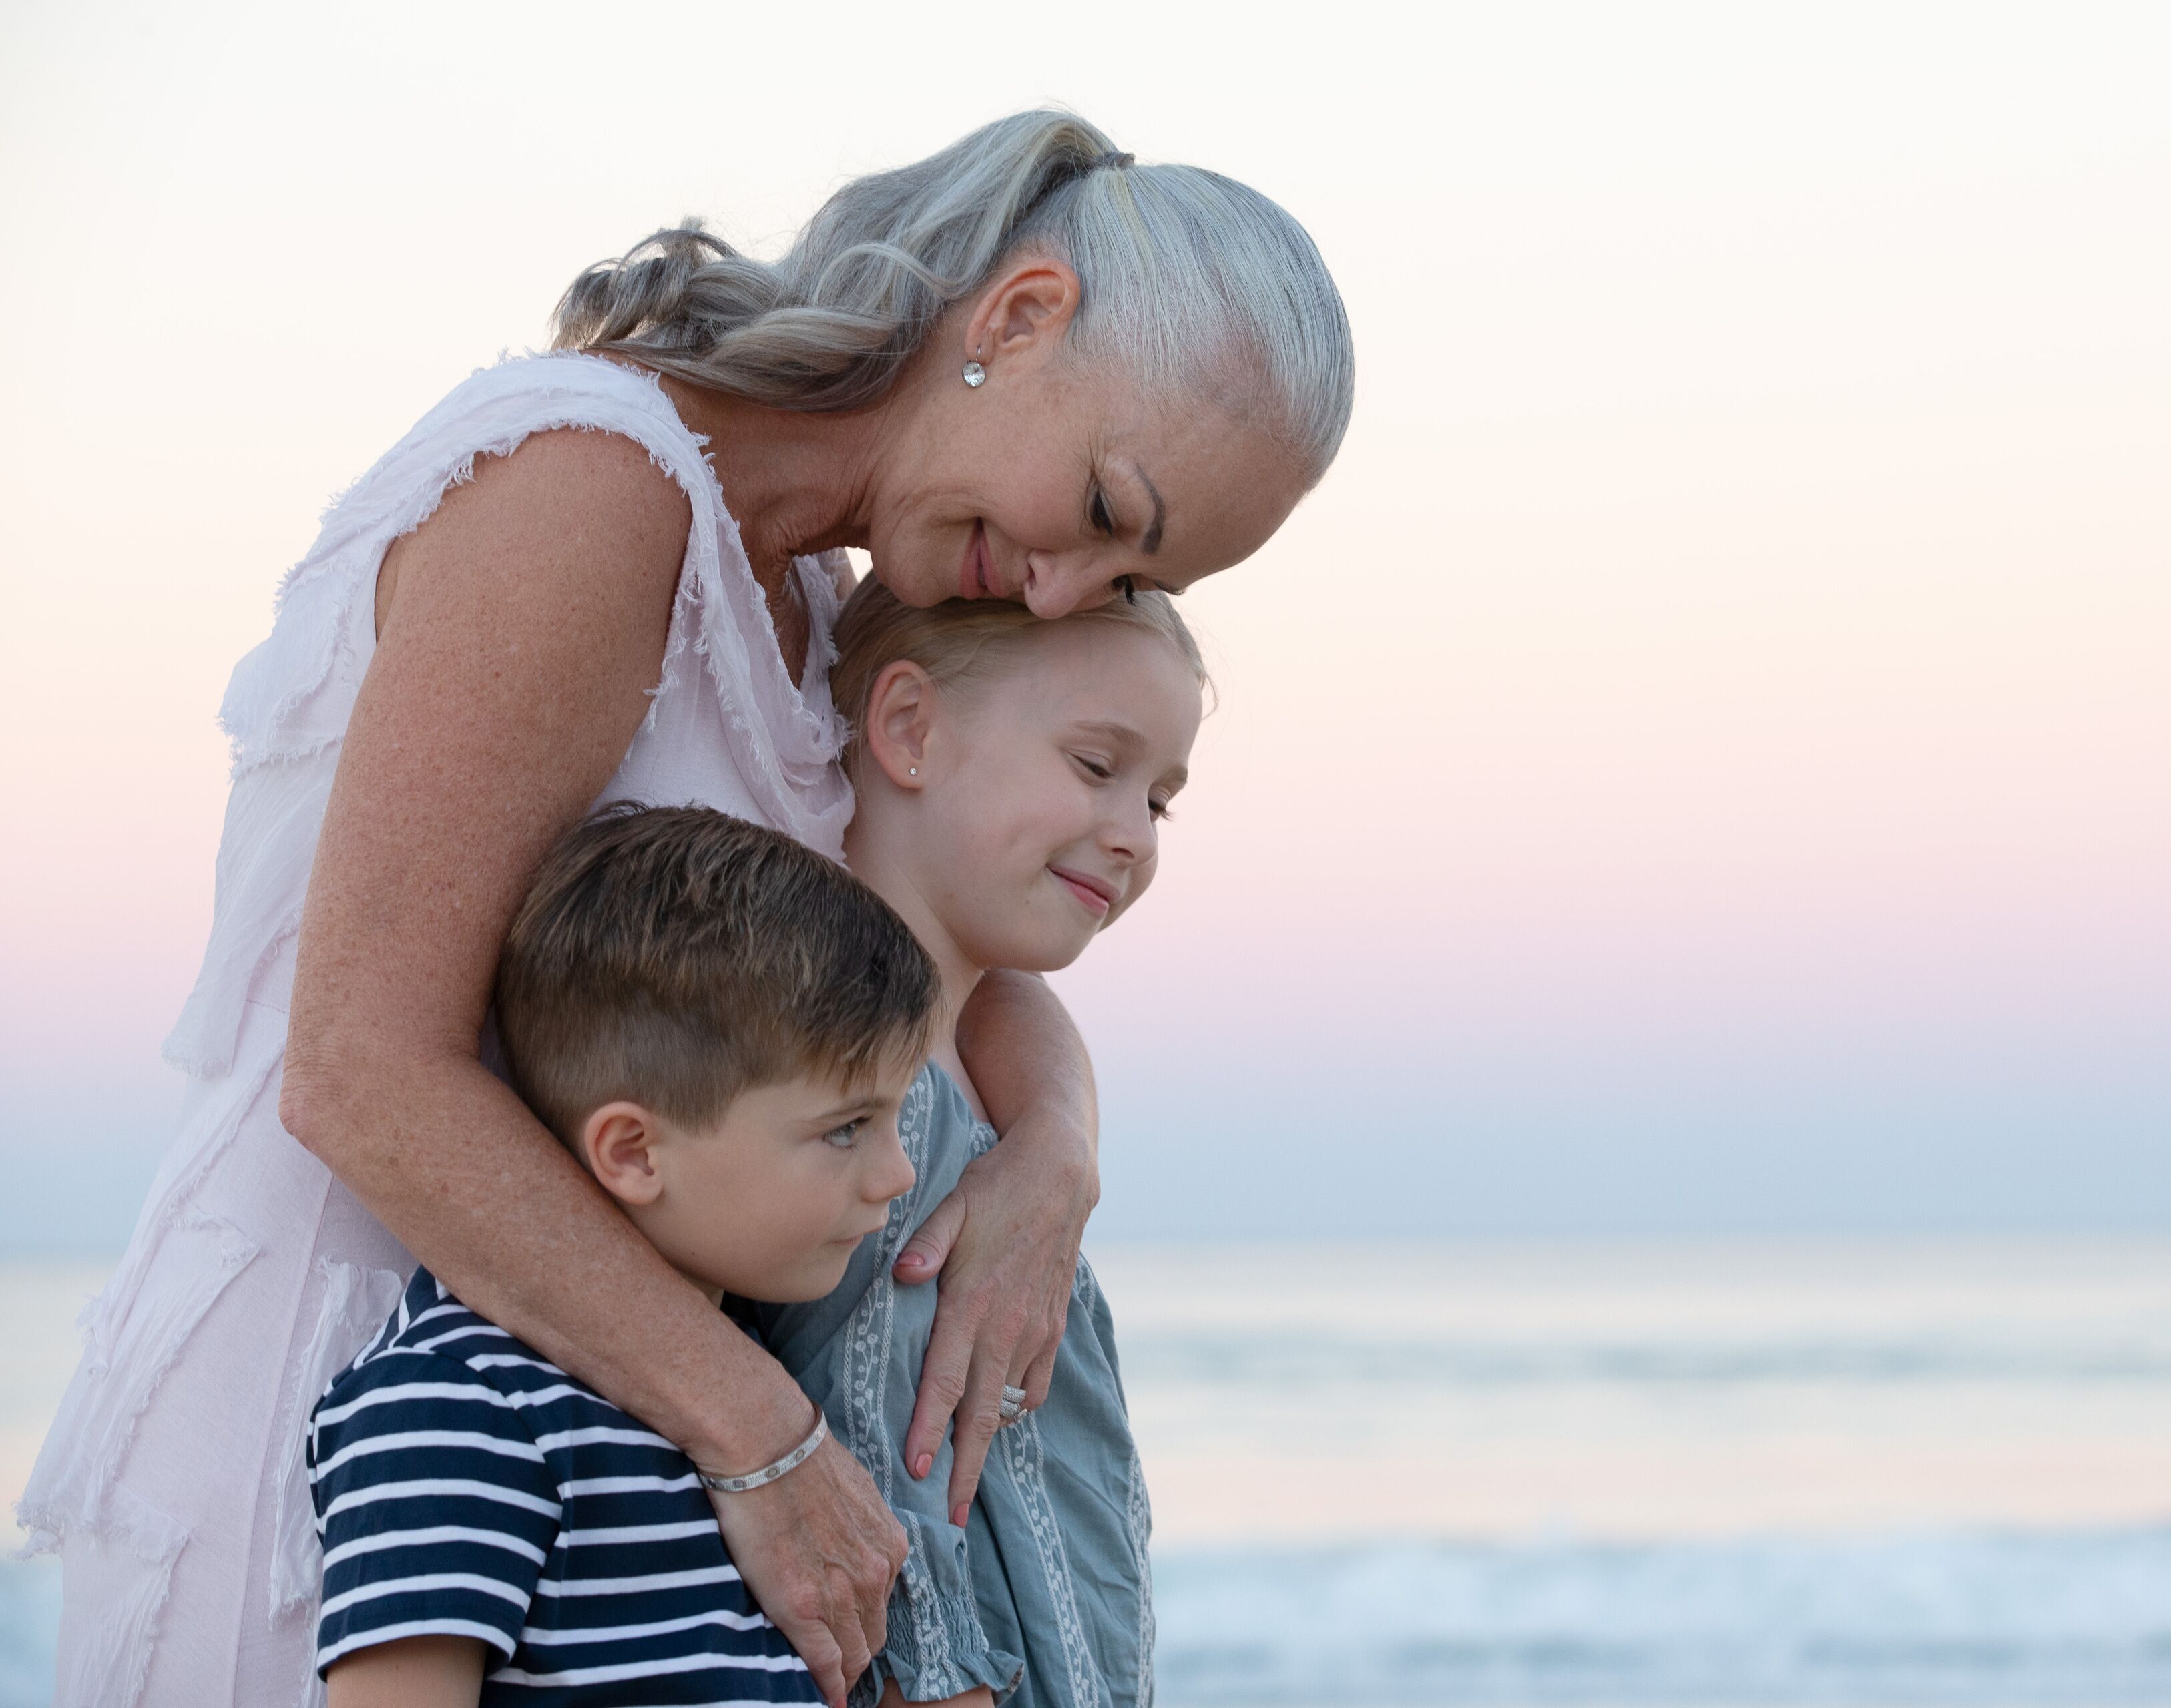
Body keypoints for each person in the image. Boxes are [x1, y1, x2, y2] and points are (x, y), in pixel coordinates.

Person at [23, 107, 1352, 1708]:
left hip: (611, 1460)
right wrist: (766, 1436)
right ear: (1018, 317)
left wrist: (1055, 1153)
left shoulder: (807, 603)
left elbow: (943, 959)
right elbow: (362, 1072)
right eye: (1105, 507)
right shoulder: (591, 492)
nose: (1064, 592)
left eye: (1135, 582)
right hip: (378, 1444)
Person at [308, 806, 936, 1707]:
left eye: (895, 1117)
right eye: (846, 1129)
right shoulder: (460, 1402)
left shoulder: (761, 1372)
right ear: (635, 1153)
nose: (898, 1174)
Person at [748, 576, 1209, 1708]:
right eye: (1096, 766)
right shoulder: (875, 1115)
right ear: (909, 730)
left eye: (1160, 801)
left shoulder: (978, 1087)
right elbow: (881, 1463)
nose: (1133, 835)